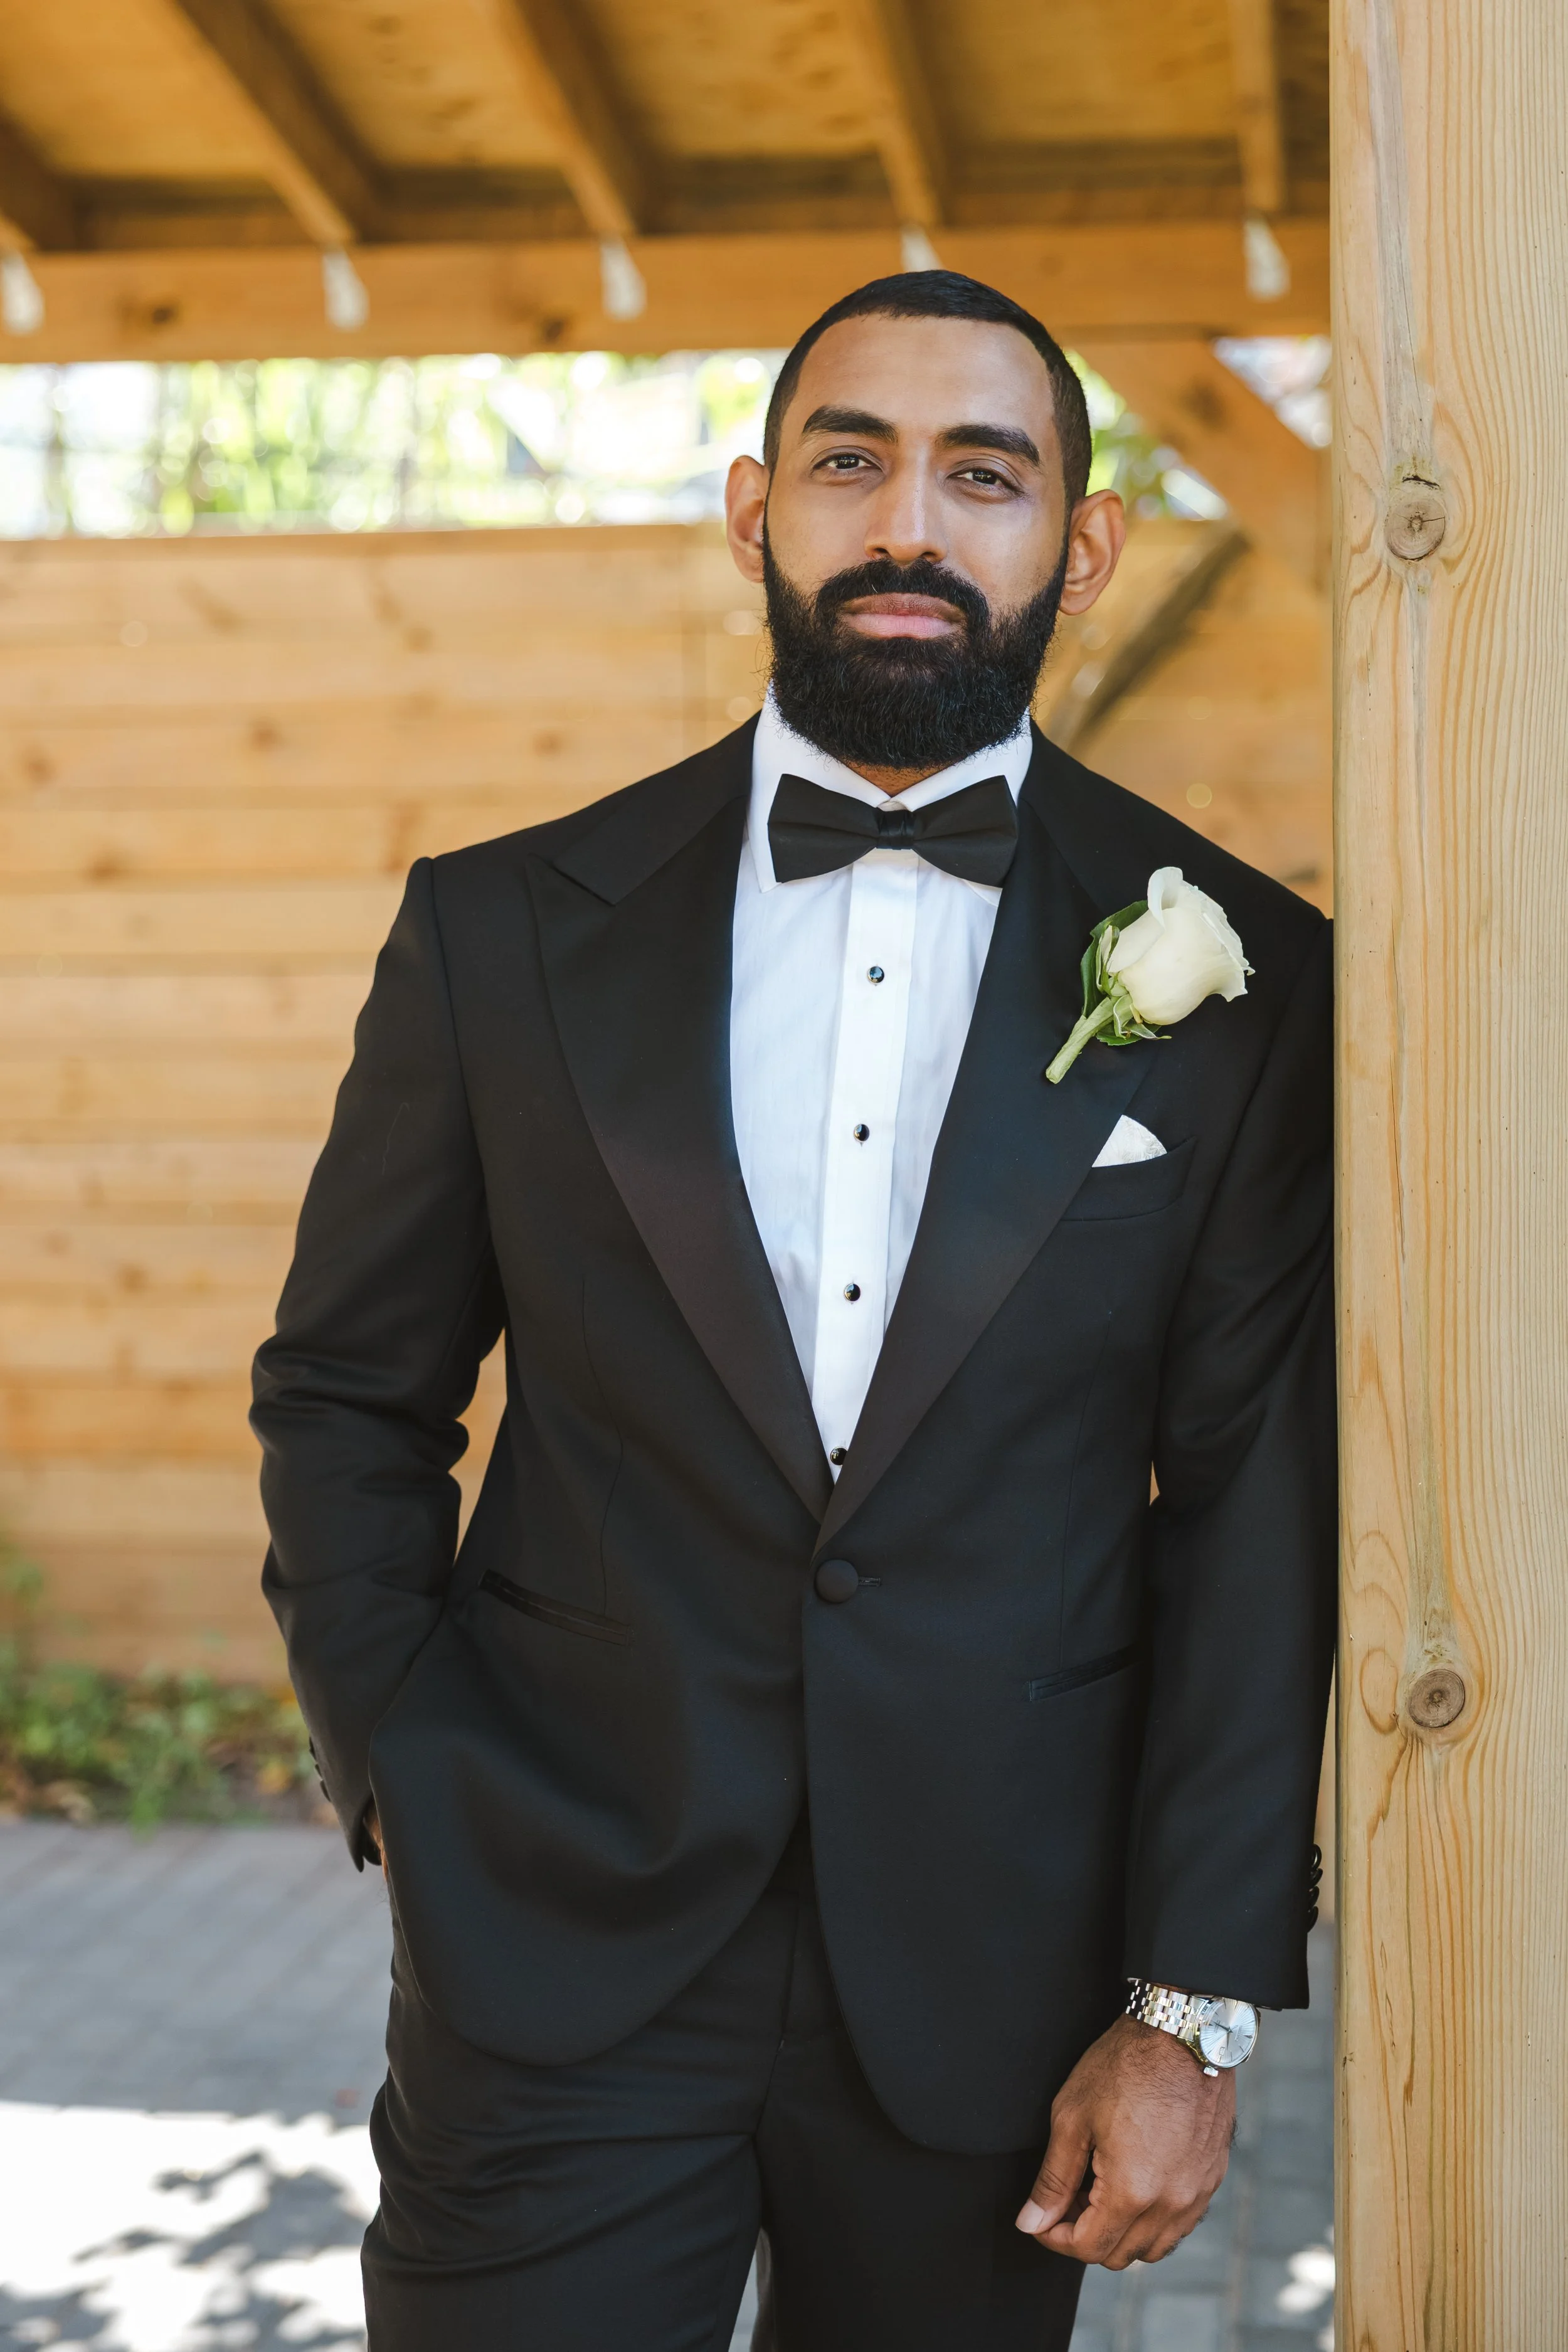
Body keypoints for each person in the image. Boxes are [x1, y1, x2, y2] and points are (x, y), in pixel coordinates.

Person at [252, 270, 1335, 2351]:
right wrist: (404, 1761)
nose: (908, 523)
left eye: (982, 472)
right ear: (755, 508)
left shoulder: (1240, 985)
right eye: (850, 460)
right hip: (554, 1944)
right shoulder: (499, 931)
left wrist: (1185, 2005)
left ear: (1079, 544)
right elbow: (346, 1390)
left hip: (999, 1992)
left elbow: (1251, 1501)